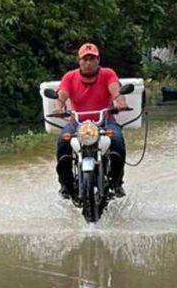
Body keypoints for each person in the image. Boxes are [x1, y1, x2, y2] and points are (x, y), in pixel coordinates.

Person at [53, 41, 129, 200]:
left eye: (92, 59)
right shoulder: (70, 76)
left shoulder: (108, 74)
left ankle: (116, 183)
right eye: (85, 59)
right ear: (79, 61)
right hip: (77, 123)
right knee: (62, 143)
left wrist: (120, 103)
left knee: (118, 141)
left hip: (105, 121)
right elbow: (60, 97)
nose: (88, 63)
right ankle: (66, 185)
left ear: (98, 60)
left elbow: (116, 91)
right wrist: (58, 108)